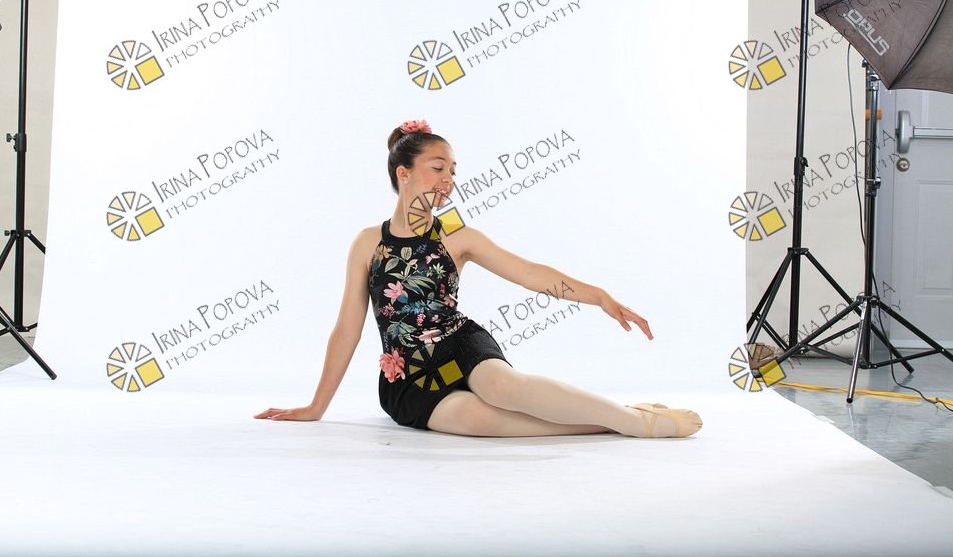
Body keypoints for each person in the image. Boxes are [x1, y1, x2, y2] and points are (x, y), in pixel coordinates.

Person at [255, 119, 702, 438]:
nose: (448, 179)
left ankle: (637, 422)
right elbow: (347, 328)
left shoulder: (455, 234)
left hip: (460, 346)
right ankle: (612, 421)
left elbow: (528, 273)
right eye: (438, 167)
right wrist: (316, 407)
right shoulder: (368, 243)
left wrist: (597, 295)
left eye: (453, 170)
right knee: (476, 420)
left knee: (501, 387)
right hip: (410, 377)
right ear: (403, 173)